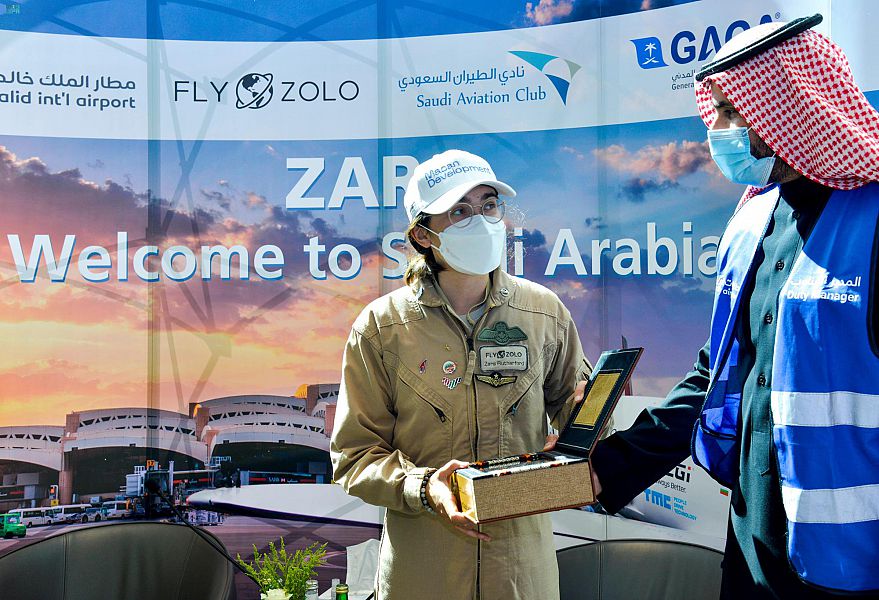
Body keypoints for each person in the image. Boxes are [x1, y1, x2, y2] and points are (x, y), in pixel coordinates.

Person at [580, 15, 879, 599]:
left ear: (788, 105)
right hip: (752, 547)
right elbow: (716, 372)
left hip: (855, 566)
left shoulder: (872, 220)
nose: (713, 129)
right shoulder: (752, 220)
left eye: (728, 111)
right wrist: (609, 468)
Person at [330, 149, 591, 600]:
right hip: (422, 576)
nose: (481, 221)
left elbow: (577, 423)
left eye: (489, 205)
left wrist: (589, 419)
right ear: (422, 235)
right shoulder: (381, 328)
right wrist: (423, 486)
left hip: (521, 577)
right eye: (459, 212)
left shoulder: (544, 313)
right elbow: (355, 457)